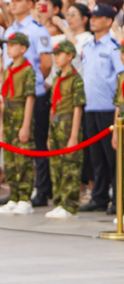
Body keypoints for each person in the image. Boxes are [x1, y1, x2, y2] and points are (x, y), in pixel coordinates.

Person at [1, 0, 53, 209]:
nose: (13, 3)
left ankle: (41, 190)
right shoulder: (9, 30)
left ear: (30, 3)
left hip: (33, 94)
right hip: (12, 96)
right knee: (13, 144)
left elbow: (46, 63)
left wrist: (28, 84)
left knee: (36, 143)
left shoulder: (37, 30)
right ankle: (16, 191)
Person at [79, 3, 124, 214]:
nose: (92, 20)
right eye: (91, 17)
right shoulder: (87, 46)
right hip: (91, 107)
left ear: (108, 21)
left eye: (97, 17)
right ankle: (99, 196)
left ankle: (117, 199)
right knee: (96, 156)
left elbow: (120, 77)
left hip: (109, 108)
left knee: (112, 157)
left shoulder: (114, 47)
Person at [0, 33, 36, 215]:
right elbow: (4, 97)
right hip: (9, 114)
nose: (9, 48)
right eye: (8, 45)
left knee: (23, 158)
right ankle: (14, 195)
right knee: (10, 159)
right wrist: (2, 125)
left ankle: (25, 197)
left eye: (13, 45)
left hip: (20, 114)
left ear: (23, 48)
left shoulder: (27, 70)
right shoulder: (8, 69)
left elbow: (29, 98)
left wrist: (26, 125)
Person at [46, 41, 85, 218]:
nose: (56, 57)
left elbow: (78, 107)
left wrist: (74, 135)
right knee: (56, 166)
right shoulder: (57, 78)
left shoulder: (76, 79)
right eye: (54, 54)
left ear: (69, 56)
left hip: (68, 123)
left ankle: (70, 204)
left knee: (70, 165)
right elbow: (52, 107)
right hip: (55, 124)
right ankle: (59, 201)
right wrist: (49, 132)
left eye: (59, 54)